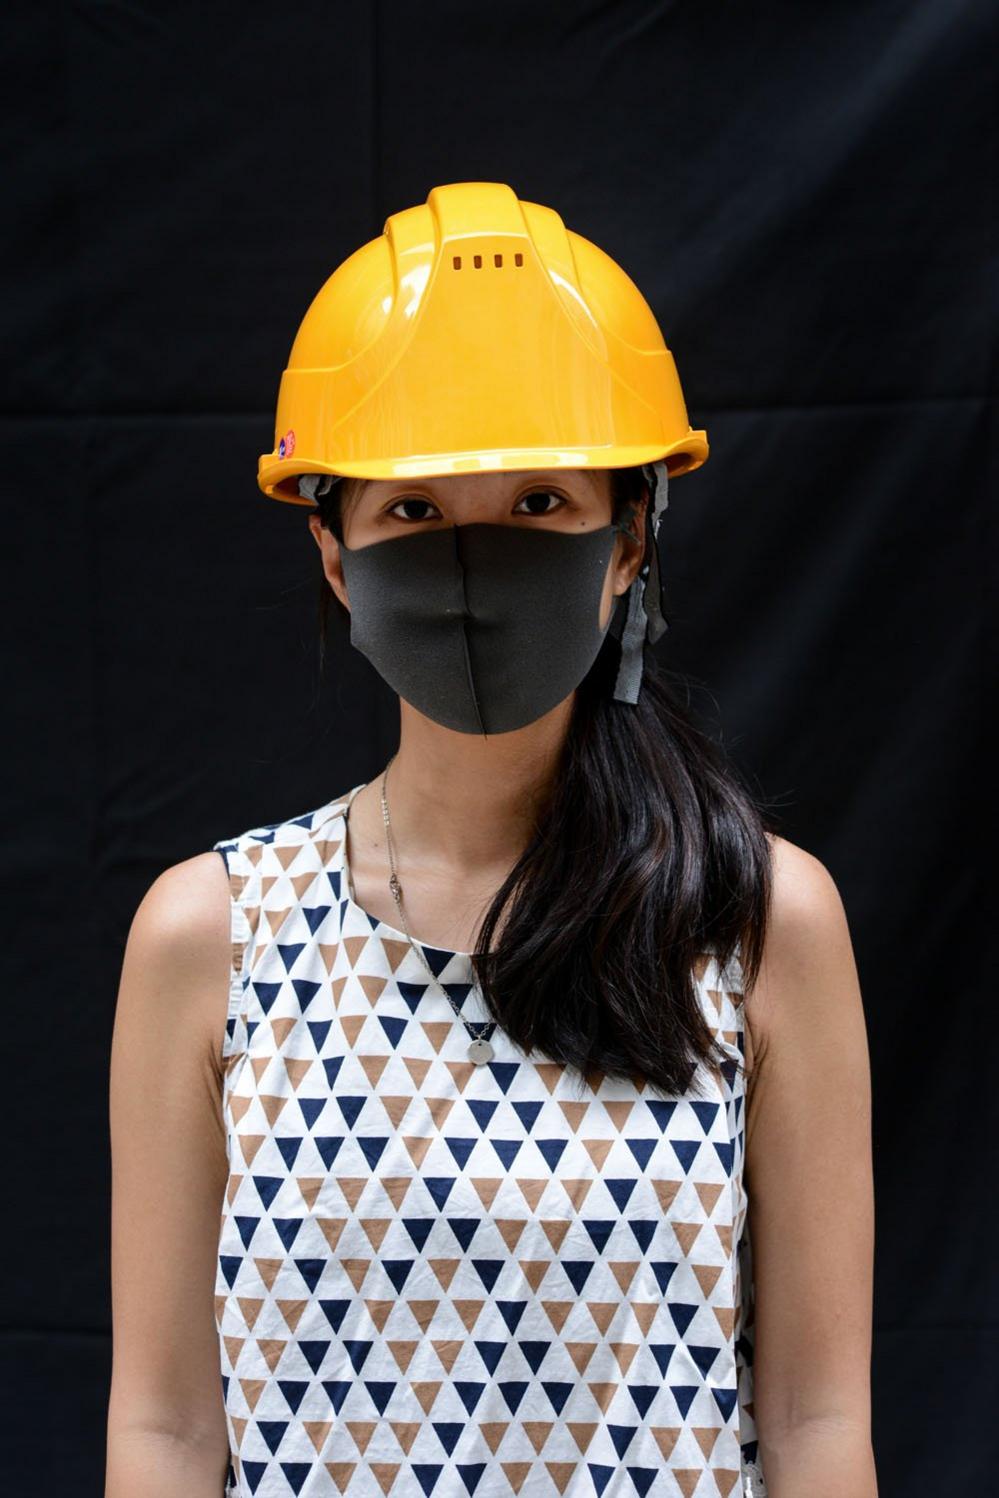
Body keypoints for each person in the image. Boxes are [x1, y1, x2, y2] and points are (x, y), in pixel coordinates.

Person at [106, 183, 877, 1498]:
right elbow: (168, 1428)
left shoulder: (756, 918)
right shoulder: (213, 935)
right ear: (337, 555)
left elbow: (814, 1421)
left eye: (535, 504)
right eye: (415, 510)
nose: (473, 561)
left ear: (627, 541)